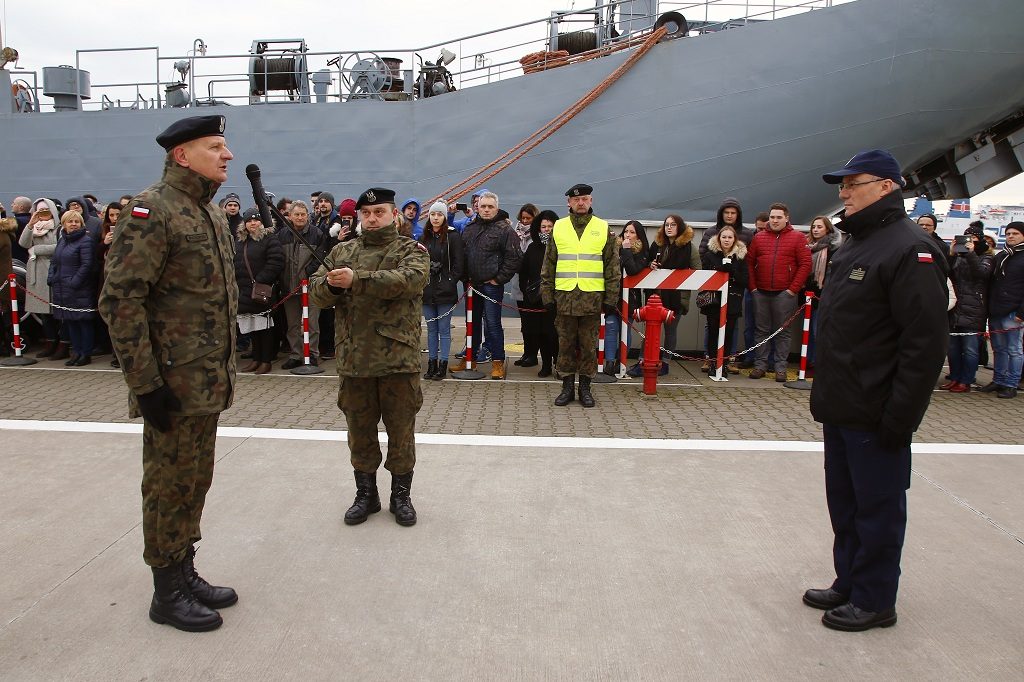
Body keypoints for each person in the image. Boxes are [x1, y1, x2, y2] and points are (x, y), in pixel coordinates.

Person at [99, 115, 239, 633]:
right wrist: (145, 384)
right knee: (167, 484)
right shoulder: (151, 210)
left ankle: (184, 570)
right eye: (215, 146)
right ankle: (166, 591)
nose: (227, 155)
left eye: (225, 146)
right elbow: (120, 300)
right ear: (183, 155)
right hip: (171, 383)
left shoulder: (209, 212)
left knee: (194, 480)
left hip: (207, 380)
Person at [806, 149, 948, 632]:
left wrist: (900, 417)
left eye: (853, 183)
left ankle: (875, 598)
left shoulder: (910, 248)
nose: (844, 193)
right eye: (842, 185)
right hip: (843, 403)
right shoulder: (855, 242)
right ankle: (850, 581)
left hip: (877, 409)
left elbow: (924, 344)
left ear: (887, 186)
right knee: (845, 505)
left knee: (878, 509)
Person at [308, 187, 430, 527]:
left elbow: (409, 280)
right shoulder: (342, 250)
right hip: (354, 360)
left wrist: (356, 280)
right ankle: (366, 495)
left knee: (401, 431)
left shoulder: (410, 250)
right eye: (366, 213)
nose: (372, 218)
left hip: (398, 361)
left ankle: (401, 496)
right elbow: (316, 291)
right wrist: (331, 286)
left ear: (394, 215)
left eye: (379, 212)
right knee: (359, 431)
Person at [540, 183, 620, 406]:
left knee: (588, 346)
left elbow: (612, 266)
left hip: (591, 299)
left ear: (591, 201)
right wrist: (547, 295)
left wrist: (611, 298)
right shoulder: (559, 227)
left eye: (584, 199)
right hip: (564, 298)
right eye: (576, 200)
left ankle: (585, 388)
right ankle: (567, 388)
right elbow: (549, 264)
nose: (581, 203)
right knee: (565, 345)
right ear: (569, 203)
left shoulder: (602, 228)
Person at [450, 191, 521, 379]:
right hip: (471, 286)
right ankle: (470, 360)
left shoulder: (505, 230)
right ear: (478, 208)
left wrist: (498, 279)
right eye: (483, 206)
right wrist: (464, 277)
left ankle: (497, 362)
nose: (487, 210)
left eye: (490, 206)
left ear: (497, 208)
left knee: (492, 323)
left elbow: (514, 258)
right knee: (472, 324)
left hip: (491, 286)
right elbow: (462, 254)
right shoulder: (470, 228)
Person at [746, 202, 812, 381]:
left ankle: (780, 368)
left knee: (783, 332)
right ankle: (760, 366)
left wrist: (792, 290)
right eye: (772, 217)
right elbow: (749, 263)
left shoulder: (798, 237)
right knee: (761, 330)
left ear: (787, 218)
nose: (775, 220)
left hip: (785, 293)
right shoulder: (759, 238)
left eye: (778, 217)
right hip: (761, 292)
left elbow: (805, 264)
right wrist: (753, 288)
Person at [639, 213, 699, 376]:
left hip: (676, 297)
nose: (669, 228)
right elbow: (646, 262)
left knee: (670, 331)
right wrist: (650, 264)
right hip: (655, 297)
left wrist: (681, 277)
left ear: (680, 227)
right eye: (667, 225)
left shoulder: (689, 247)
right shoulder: (657, 244)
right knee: (650, 330)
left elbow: (697, 271)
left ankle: (665, 363)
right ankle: (642, 361)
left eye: (673, 225)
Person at [942, 224, 994, 392]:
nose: (968, 242)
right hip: (956, 308)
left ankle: (966, 380)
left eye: (973, 239)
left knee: (970, 349)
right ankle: (955, 377)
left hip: (974, 309)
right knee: (953, 349)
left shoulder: (987, 257)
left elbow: (982, 274)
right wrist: (951, 254)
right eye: (966, 238)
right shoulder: (959, 257)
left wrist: (971, 253)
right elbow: (946, 273)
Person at [235, 207, 284, 375]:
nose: (253, 223)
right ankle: (256, 358)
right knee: (252, 327)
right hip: (245, 291)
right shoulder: (241, 241)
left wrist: (260, 280)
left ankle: (266, 360)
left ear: (262, 222)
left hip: (262, 290)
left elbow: (276, 262)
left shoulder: (270, 239)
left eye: (256, 220)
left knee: (265, 328)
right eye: (249, 221)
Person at [277, 200, 325, 369]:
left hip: (310, 287)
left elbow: (321, 259)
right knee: (293, 325)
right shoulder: (282, 235)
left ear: (307, 215)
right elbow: (277, 258)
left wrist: (307, 274)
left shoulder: (316, 234)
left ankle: (312, 354)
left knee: (312, 323)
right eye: (296, 214)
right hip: (288, 287)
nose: (300, 217)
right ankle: (296, 355)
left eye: (303, 214)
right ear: (290, 216)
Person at [420, 200, 464, 380]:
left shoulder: (453, 237)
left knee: (444, 329)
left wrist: (450, 280)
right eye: (433, 214)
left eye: (439, 214)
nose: (436, 218)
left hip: (445, 290)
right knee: (431, 329)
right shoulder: (424, 237)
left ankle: (443, 364)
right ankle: (432, 364)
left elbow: (459, 263)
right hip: (427, 289)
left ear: (445, 217)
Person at [48, 210, 97, 366]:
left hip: (79, 288)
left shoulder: (86, 241)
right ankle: (76, 351)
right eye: (70, 221)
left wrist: (74, 282)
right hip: (63, 288)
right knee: (70, 321)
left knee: (83, 321)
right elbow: (54, 261)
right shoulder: (62, 241)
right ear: (64, 224)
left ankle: (85, 354)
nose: (74, 224)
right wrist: (51, 277)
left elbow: (87, 265)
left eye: (77, 222)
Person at [982, 221, 1024, 398]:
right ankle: (998, 380)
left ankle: (1011, 384)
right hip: (996, 310)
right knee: (999, 348)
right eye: (1008, 234)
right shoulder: (1001, 256)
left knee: (1014, 349)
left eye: (1015, 233)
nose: (1011, 236)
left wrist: (1022, 313)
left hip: (1014, 312)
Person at [699, 225, 747, 374]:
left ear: (735, 239)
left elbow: (745, 279)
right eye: (724, 237)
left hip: (733, 300)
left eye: (730, 237)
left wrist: (732, 271)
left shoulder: (741, 256)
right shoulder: (710, 255)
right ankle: (713, 363)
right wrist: (718, 270)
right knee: (713, 331)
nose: (726, 240)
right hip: (714, 300)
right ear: (719, 238)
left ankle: (724, 363)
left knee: (729, 333)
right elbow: (704, 276)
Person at [20, 198, 63, 358]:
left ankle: (63, 343)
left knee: (58, 312)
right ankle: (50, 341)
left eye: (46, 209)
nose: (43, 212)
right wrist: (30, 224)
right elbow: (23, 243)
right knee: (44, 313)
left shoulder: (59, 227)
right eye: (39, 209)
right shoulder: (34, 227)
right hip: (36, 272)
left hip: (53, 271)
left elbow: (59, 246)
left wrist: (36, 249)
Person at [520, 210, 559, 377]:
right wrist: (526, 290)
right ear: (538, 228)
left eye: (550, 226)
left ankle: (559, 364)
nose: (547, 229)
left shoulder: (561, 247)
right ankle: (546, 365)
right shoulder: (533, 248)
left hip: (556, 298)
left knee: (555, 335)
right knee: (541, 334)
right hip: (536, 299)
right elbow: (524, 272)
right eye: (544, 226)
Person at [805, 216, 843, 369]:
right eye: (814, 226)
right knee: (808, 330)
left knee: (817, 330)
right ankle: (808, 361)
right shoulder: (808, 245)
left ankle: (818, 362)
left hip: (824, 294)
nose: (815, 230)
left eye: (819, 227)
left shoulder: (834, 248)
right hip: (809, 293)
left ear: (827, 229)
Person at [617, 220, 652, 376]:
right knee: (612, 329)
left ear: (638, 236)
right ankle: (611, 361)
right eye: (626, 231)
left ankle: (621, 362)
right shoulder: (615, 248)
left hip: (630, 298)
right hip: (614, 295)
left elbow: (632, 270)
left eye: (632, 232)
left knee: (625, 330)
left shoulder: (642, 252)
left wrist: (626, 250)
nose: (628, 235)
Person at [509, 203, 538, 367]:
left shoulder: (538, 235)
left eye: (528, 218)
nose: (525, 221)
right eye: (523, 218)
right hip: (519, 283)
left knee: (533, 322)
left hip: (533, 285)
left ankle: (533, 354)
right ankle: (527, 353)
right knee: (525, 323)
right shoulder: (515, 233)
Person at [0, 216, 15, 355]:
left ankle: (4, 346)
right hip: (3, 280)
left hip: (2, 281)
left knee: (3, 314)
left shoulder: (2, 235)